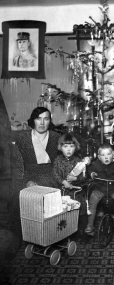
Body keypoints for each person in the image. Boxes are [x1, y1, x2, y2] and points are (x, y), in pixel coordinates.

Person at [8, 107, 59, 258]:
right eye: (39, 118)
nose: (42, 123)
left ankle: (47, 237)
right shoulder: (23, 138)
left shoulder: (56, 137)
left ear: (50, 121)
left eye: (46, 119)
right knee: (15, 199)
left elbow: (61, 160)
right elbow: (18, 165)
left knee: (46, 197)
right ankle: (17, 237)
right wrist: (26, 182)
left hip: (49, 174)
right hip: (26, 174)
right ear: (33, 120)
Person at [85, 143, 114, 233]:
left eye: (108, 154)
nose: (106, 157)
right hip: (100, 188)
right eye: (103, 155)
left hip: (113, 188)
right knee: (92, 201)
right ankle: (90, 225)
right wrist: (92, 174)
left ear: (113, 155)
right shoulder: (96, 164)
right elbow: (90, 170)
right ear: (99, 157)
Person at [53, 133, 91, 215]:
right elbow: (55, 173)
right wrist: (63, 181)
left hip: (75, 190)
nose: (69, 149)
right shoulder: (57, 159)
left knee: (77, 207)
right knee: (61, 210)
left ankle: (77, 222)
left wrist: (76, 179)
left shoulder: (78, 161)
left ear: (76, 147)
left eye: (71, 146)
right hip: (61, 189)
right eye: (65, 146)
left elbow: (84, 176)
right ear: (60, 147)